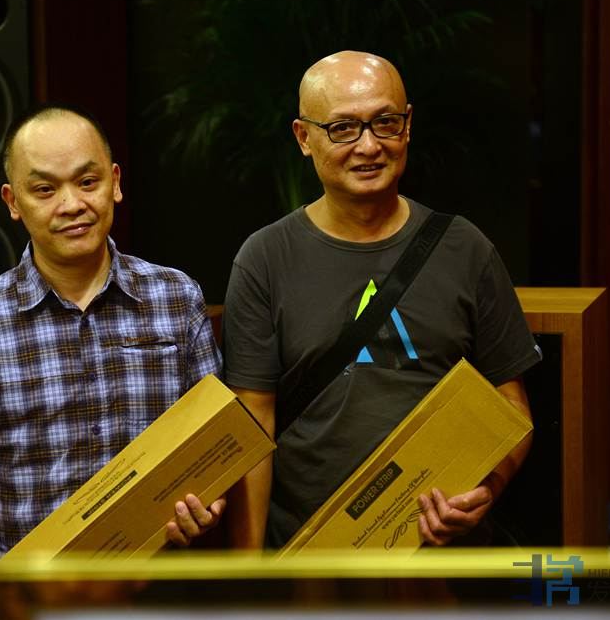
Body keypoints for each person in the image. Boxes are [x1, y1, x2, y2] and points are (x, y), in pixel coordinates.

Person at [0, 105, 225, 618]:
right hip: (33, 602)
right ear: (13, 202)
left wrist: (207, 502)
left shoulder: (175, 298)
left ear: (115, 183)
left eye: (87, 182)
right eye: (44, 189)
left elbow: (213, 445)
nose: (72, 204)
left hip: (158, 596)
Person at [222, 51, 540, 549]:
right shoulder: (265, 258)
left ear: (407, 126)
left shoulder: (465, 248)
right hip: (310, 550)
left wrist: (487, 489)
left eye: (385, 122)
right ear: (304, 138)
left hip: (436, 551)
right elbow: (254, 425)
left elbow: (510, 406)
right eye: (343, 128)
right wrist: (249, 575)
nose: (368, 145)